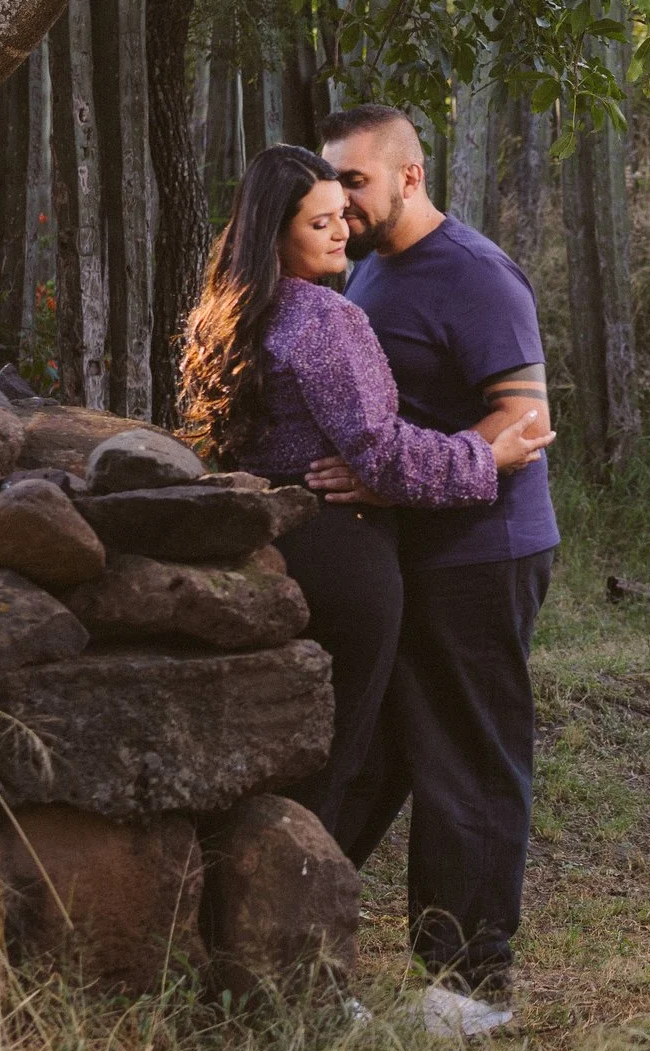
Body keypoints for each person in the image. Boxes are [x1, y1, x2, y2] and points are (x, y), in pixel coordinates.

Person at [178, 145, 551, 841]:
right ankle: (288, 914)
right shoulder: (327, 318)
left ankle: (254, 903)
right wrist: (483, 454)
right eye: (320, 224)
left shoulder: (223, 315)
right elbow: (379, 454)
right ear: (277, 233)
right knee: (336, 755)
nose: (342, 231)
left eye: (343, 215)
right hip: (346, 555)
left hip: (270, 548)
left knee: (288, 745)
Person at [310, 103, 557, 1039]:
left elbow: (522, 425)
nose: (342, 199)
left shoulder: (477, 277)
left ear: (411, 176)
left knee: (469, 759)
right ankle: (293, 942)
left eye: (357, 181)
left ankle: (472, 987)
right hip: (402, 553)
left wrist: (390, 476)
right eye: (332, 183)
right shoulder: (366, 264)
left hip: (483, 553)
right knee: (370, 755)